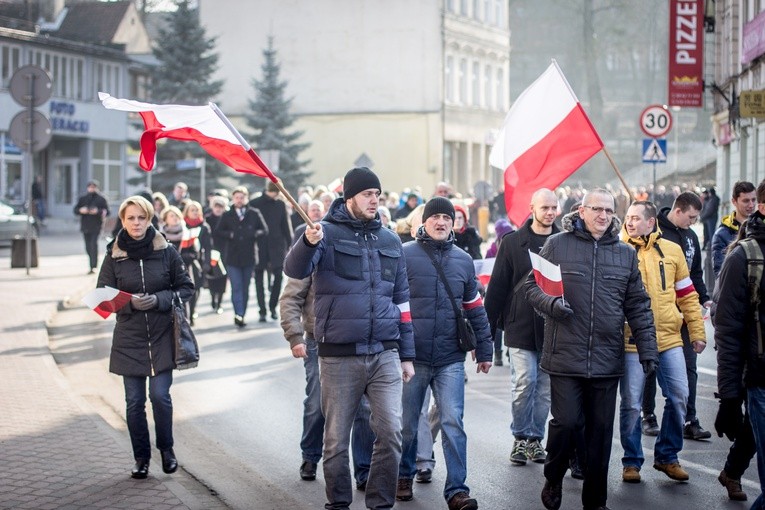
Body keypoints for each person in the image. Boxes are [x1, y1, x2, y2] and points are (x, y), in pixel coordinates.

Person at [284, 166, 415, 510]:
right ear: (349, 198)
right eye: (368, 194)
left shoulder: (390, 240)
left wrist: (407, 354)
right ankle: (338, 503)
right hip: (339, 355)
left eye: (378, 195)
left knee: (390, 433)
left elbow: (402, 300)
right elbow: (294, 269)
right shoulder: (323, 232)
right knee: (336, 441)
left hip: (385, 351)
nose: (375, 200)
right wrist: (306, 242)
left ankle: (380, 503)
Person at [525, 188, 658, 510]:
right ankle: (554, 475)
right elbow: (532, 287)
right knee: (567, 423)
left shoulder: (625, 254)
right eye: (596, 209)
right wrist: (552, 305)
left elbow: (638, 305)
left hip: (606, 358)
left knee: (599, 435)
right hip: (565, 354)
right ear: (581, 211)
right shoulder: (558, 244)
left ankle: (595, 502)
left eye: (609, 211)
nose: (603, 215)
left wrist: (648, 350)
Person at [396, 196, 492, 510]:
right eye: (435, 217)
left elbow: (474, 308)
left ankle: (457, 491)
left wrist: (485, 348)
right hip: (414, 356)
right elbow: (391, 305)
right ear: (423, 222)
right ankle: (402, 474)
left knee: (453, 423)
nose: (441, 222)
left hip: (451, 357)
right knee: (408, 424)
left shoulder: (463, 259)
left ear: (453, 223)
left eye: (446, 218)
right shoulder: (404, 255)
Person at [96, 195, 194, 479]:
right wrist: (129, 304)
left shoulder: (166, 251)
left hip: (163, 335)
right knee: (134, 402)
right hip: (129, 339)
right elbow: (101, 298)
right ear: (122, 221)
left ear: (150, 219)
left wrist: (159, 299)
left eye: (142, 217)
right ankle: (141, 458)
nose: (136, 223)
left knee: (160, 396)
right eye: (131, 218)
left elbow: (186, 287)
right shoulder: (113, 255)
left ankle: (167, 449)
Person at [279, 203, 375, 487]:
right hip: (317, 342)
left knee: (362, 408)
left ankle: (364, 470)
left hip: (354, 341)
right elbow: (290, 298)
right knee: (318, 404)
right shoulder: (316, 252)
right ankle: (310, 455)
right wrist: (295, 337)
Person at [619, 201, 705, 484]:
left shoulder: (672, 250)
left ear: (651, 221)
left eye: (635, 218)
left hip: (669, 337)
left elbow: (688, 296)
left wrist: (696, 332)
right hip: (632, 340)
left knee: (679, 396)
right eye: (627, 218)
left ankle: (667, 456)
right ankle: (631, 461)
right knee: (631, 403)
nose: (629, 223)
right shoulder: (617, 250)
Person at [484, 189, 558, 467]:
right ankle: (520, 437)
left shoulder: (564, 241)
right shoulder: (513, 242)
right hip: (520, 325)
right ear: (532, 208)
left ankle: (535, 439)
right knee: (525, 381)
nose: (550, 212)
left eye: (554, 207)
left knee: (545, 388)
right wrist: (486, 334)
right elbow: (497, 288)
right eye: (545, 207)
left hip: (553, 327)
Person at [714, 192, 765, 509]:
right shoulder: (744, 257)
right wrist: (729, 397)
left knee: (755, 428)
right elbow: (728, 331)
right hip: (760, 377)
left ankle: (732, 470)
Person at [650, 191, 713, 441]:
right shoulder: (654, 232)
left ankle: (690, 418)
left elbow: (695, 273)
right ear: (678, 211)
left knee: (690, 368)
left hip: (685, 314)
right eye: (691, 217)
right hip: (660, 314)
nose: (693, 222)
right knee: (650, 367)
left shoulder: (690, 237)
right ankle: (647, 414)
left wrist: (704, 297)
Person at [216, 186, 268, 327]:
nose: (239, 200)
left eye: (241, 197)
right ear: (233, 199)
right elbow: (219, 231)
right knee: (236, 286)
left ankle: (242, 313)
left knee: (245, 287)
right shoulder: (227, 215)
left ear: (246, 198)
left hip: (249, 255)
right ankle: (238, 313)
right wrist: (230, 234)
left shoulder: (254, 213)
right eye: (236, 198)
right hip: (233, 257)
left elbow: (264, 229)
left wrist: (254, 234)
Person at [249, 179, 293, 322]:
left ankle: (272, 307)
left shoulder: (280, 204)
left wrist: (290, 245)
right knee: (259, 279)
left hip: (276, 246)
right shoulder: (255, 203)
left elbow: (286, 227)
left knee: (278, 278)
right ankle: (262, 310)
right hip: (259, 246)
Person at [711, 181, 756, 277]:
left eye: (753, 200)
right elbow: (720, 274)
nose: (751, 205)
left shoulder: (761, 227)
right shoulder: (722, 234)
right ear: (734, 201)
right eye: (746, 201)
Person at [74, 180, 110, 274]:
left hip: (96, 226)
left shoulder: (101, 199)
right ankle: (91, 263)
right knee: (88, 246)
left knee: (93, 245)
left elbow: (107, 211)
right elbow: (75, 210)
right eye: (90, 187)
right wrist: (81, 210)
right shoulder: (83, 198)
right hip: (85, 226)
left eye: (93, 187)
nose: (91, 188)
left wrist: (97, 211)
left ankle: (93, 266)